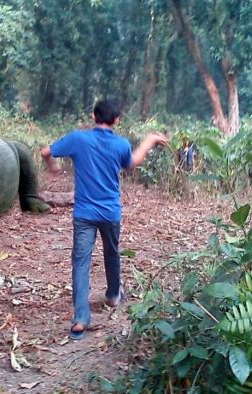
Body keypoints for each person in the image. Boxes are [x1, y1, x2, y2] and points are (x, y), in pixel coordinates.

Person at [40, 98, 168, 340]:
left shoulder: (78, 139)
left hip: (84, 214)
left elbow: (46, 152)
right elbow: (132, 164)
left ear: (92, 116)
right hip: (110, 212)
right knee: (112, 253)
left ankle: (80, 318)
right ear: (117, 120)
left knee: (80, 262)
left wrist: (52, 167)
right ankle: (112, 295)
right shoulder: (120, 144)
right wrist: (149, 141)